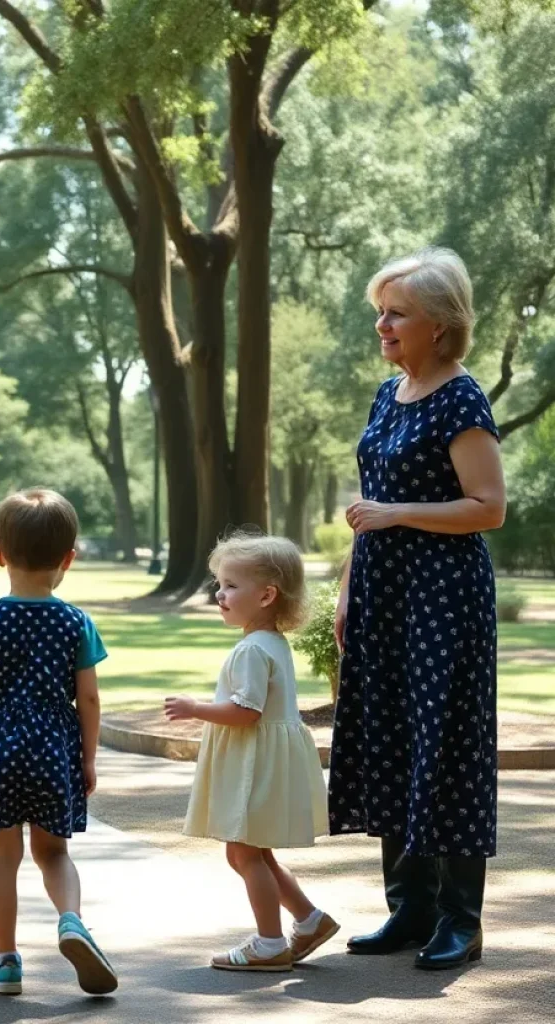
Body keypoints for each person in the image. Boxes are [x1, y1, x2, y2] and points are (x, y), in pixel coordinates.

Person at [331, 247, 506, 970]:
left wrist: (395, 513)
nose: (382, 324)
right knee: (392, 739)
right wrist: (346, 590)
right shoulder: (386, 394)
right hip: (383, 591)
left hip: (443, 599)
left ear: (440, 324)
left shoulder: (464, 399)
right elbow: (369, 508)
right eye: (381, 311)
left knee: (450, 745)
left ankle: (461, 921)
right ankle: (409, 910)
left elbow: (488, 508)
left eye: (396, 312)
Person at [0, 488, 118, 997]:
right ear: (69, 558)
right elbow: (88, 700)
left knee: (3, 857)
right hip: (54, 749)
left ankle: (6, 962)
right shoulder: (75, 622)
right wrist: (87, 759)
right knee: (53, 852)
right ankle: (71, 920)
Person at [165, 533, 336, 973]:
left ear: (266, 594)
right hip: (264, 760)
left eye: (231, 585)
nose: (220, 594)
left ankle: (269, 942)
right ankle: (310, 920)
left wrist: (195, 708)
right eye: (219, 584)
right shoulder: (270, 642)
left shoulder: (252, 649)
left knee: (243, 854)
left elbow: (245, 712)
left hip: (254, 764)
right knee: (255, 853)